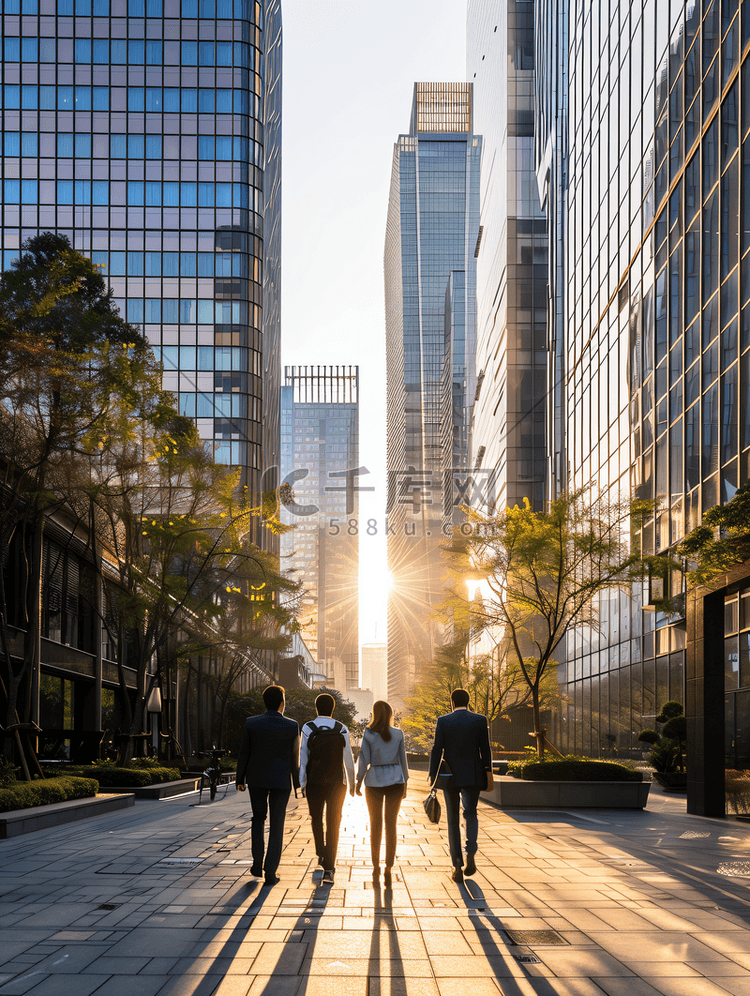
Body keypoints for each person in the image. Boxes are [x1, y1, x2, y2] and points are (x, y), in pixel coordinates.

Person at [235, 684, 300, 886]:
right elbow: (294, 756)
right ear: (282, 702)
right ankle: (271, 871)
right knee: (277, 823)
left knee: (258, 819)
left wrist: (240, 779)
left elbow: (244, 752)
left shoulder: (252, 723)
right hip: (281, 781)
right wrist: (297, 783)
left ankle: (256, 863)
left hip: (257, 779)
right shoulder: (291, 725)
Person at [428, 688, 492, 883]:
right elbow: (485, 750)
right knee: (470, 813)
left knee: (453, 819)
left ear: (452, 702)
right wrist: (487, 771)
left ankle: (456, 866)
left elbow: (437, 749)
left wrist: (432, 775)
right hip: (473, 774)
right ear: (468, 701)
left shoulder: (443, 720)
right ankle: (470, 852)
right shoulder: (480, 720)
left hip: (450, 776)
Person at [299, 692, 355, 883]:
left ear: (316, 708)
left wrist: (302, 783)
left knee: (316, 819)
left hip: (314, 781)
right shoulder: (341, 728)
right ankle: (330, 866)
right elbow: (348, 759)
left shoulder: (308, 727)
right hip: (337, 783)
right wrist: (352, 784)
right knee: (334, 822)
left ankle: (321, 853)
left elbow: (303, 756)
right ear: (333, 708)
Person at [356, 700, 409, 889]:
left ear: (374, 714)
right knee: (391, 825)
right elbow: (403, 759)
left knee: (375, 824)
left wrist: (358, 781)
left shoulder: (369, 733)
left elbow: (363, 759)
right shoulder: (398, 734)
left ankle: (375, 864)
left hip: (374, 781)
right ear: (390, 714)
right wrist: (406, 783)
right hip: (396, 780)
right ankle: (389, 866)